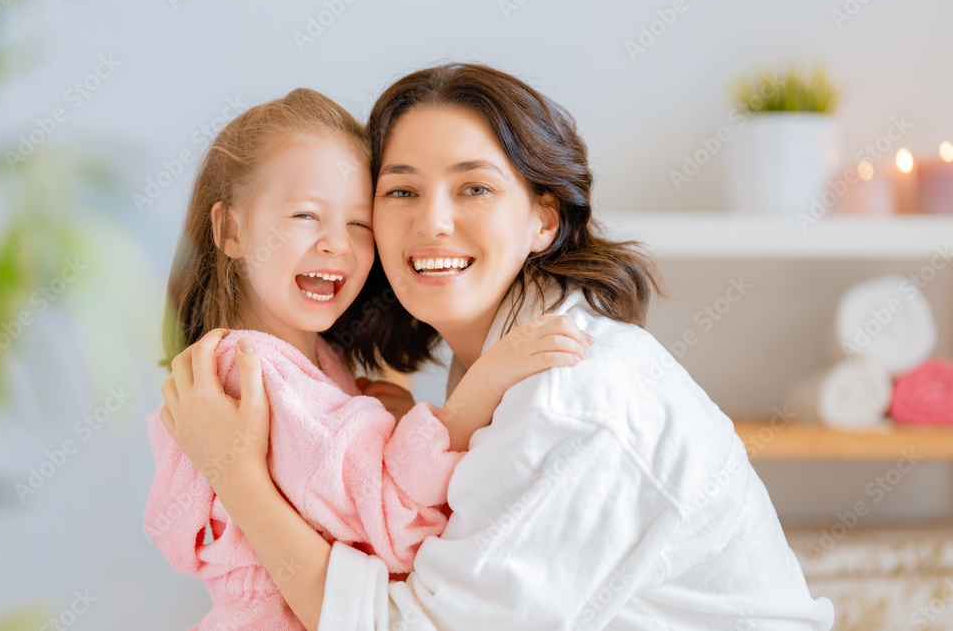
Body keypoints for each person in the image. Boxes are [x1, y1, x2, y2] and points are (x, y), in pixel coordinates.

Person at [160, 64, 835, 630]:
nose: (434, 221)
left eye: (474, 187)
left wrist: (238, 477)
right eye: (401, 190)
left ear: (543, 218)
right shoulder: (474, 365)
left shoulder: (570, 402)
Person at [144, 87, 593, 630]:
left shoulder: (317, 363)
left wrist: (391, 423)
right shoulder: (252, 373)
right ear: (232, 229)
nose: (338, 244)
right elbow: (391, 520)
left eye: (359, 224)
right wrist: (484, 384)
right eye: (306, 215)